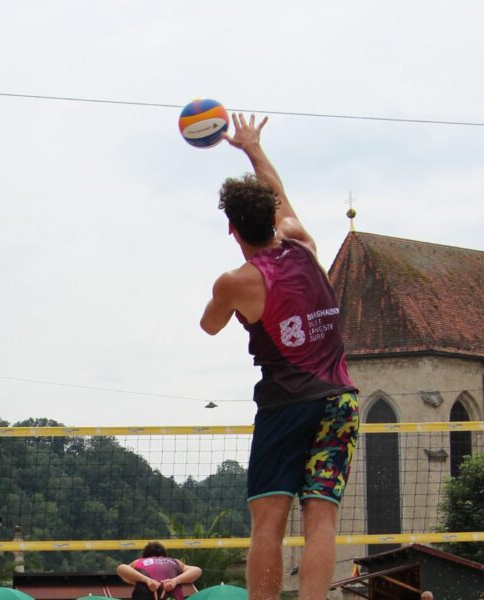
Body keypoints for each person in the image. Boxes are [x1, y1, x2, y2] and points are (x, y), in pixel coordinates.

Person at [200, 114, 359, 600]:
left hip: (288, 404)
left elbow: (208, 324)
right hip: (341, 401)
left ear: (231, 228)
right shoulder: (303, 244)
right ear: (273, 217)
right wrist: (251, 147)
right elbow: (279, 189)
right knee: (322, 516)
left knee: (268, 521)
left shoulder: (236, 282)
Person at [117, 541, 202, 600]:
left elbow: (121, 568)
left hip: (145, 596)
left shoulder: (140, 561)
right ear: (164, 556)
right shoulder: (174, 561)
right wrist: (175, 580)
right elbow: (197, 570)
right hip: (172, 596)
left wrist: (146, 580)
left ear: (145, 556)